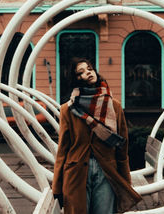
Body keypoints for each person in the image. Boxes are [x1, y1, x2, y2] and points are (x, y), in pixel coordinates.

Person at [52, 58, 142, 214]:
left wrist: (125, 180)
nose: (88, 72)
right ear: (76, 79)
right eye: (81, 72)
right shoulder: (68, 109)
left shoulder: (113, 106)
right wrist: (57, 186)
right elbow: (63, 150)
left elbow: (122, 147)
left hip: (106, 170)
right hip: (76, 173)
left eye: (89, 68)